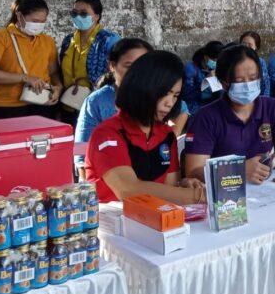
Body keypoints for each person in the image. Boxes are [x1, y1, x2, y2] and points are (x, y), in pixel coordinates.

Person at [84, 51, 204, 204]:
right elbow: (128, 190)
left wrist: (183, 185)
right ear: (142, 88)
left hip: (157, 215)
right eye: (165, 93)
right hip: (111, 217)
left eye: (175, 95)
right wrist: (197, 196)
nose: (169, 103)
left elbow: (170, 187)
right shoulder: (107, 133)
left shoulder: (166, 135)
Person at [185, 45, 275, 184]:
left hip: (265, 189)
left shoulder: (272, 107)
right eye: (239, 80)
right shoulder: (205, 117)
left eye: (253, 78)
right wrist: (237, 171)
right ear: (223, 83)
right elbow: (193, 172)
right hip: (225, 193)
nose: (248, 85)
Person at [0, 0, 62, 120]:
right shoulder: (0, 37)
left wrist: (58, 87)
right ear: (19, 16)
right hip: (8, 107)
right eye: (35, 21)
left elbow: (53, 73)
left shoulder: (47, 41)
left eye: (43, 22)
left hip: (43, 103)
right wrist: (24, 78)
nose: (39, 25)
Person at [58, 0, 120, 125]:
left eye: (83, 13)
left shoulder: (108, 40)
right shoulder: (68, 40)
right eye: (74, 13)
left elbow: (118, 71)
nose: (78, 17)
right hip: (68, 102)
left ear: (96, 16)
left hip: (95, 106)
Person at [183, 41, 224, 114]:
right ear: (205, 57)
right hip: (194, 108)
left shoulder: (215, 68)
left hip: (211, 105)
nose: (216, 63)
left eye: (218, 61)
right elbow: (187, 95)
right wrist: (205, 82)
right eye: (214, 60)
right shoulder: (191, 69)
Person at [239, 31, 271, 97]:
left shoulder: (260, 62)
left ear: (256, 47)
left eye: (250, 45)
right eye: (243, 44)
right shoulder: (234, 61)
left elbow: (265, 84)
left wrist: (264, 100)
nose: (246, 47)